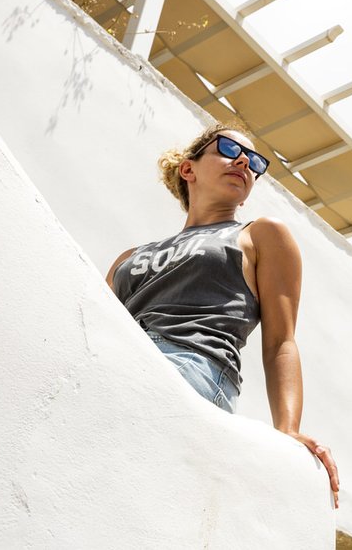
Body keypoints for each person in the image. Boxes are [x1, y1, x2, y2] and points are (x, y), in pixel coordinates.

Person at [105, 124, 339, 507]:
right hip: (121, 355)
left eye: (255, 162)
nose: (245, 162)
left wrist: (288, 431)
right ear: (189, 169)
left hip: (193, 362)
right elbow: (98, 321)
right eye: (229, 149)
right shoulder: (129, 258)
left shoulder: (260, 235)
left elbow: (281, 341)